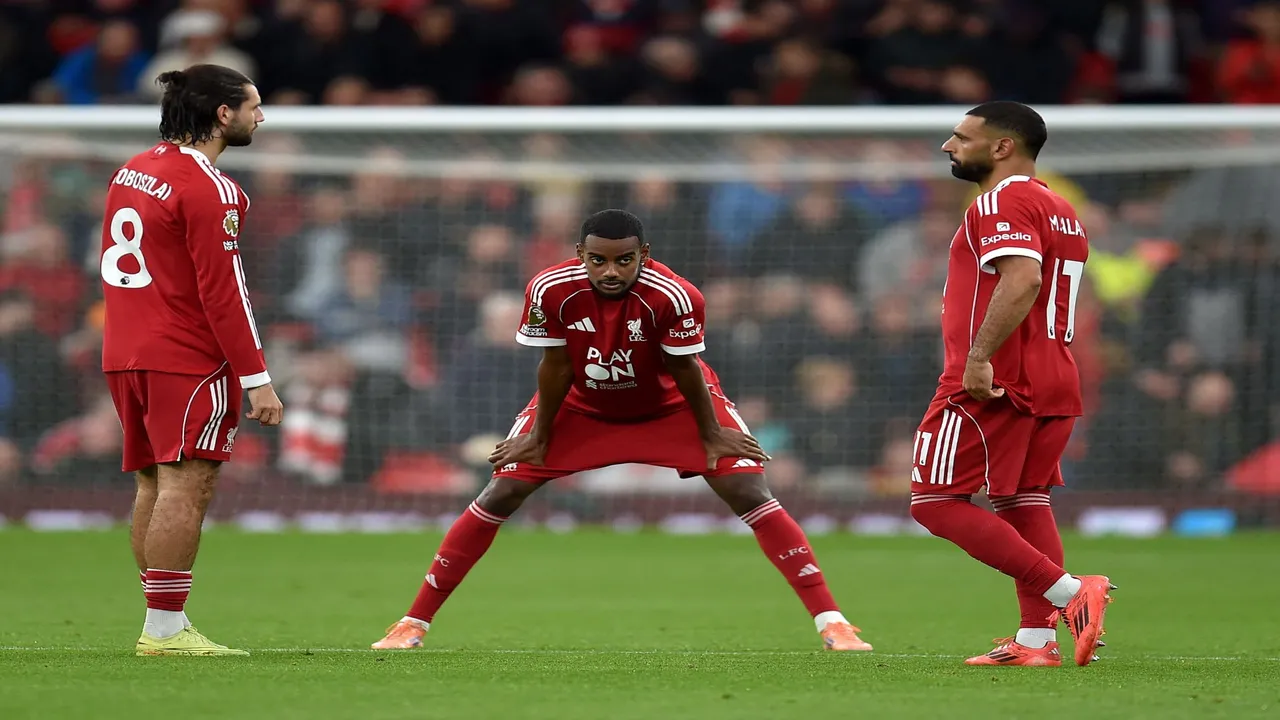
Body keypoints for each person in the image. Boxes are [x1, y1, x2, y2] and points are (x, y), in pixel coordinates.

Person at [372, 209, 872, 652]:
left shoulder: (676, 294)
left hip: (671, 406)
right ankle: (413, 622)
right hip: (582, 405)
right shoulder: (549, 288)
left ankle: (833, 622)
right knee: (501, 491)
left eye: (624, 260)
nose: (611, 271)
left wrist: (711, 433)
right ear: (581, 255)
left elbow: (685, 369)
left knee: (747, 487)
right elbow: (555, 365)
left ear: (643, 255)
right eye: (598, 260)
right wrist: (540, 434)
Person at [908, 101, 1114, 667]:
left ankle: (1072, 593)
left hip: (997, 379)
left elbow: (1023, 278)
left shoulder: (1002, 199)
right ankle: (1036, 642)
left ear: (1002, 147)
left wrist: (978, 358)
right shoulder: (1061, 207)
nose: (948, 146)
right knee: (1022, 500)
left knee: (934, 503)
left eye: (961, 137)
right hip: (1054, 375)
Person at [100, 64, 284, 656]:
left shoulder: (132, 170)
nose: (262, 117)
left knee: (153, 483)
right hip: (186, 358)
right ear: (223, 114)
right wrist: (257, 379)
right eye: (254, 106)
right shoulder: (213, 188)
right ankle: (164, 629)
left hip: (125, 351)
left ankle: (160, 622)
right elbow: (225, 293)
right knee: (189, 483)